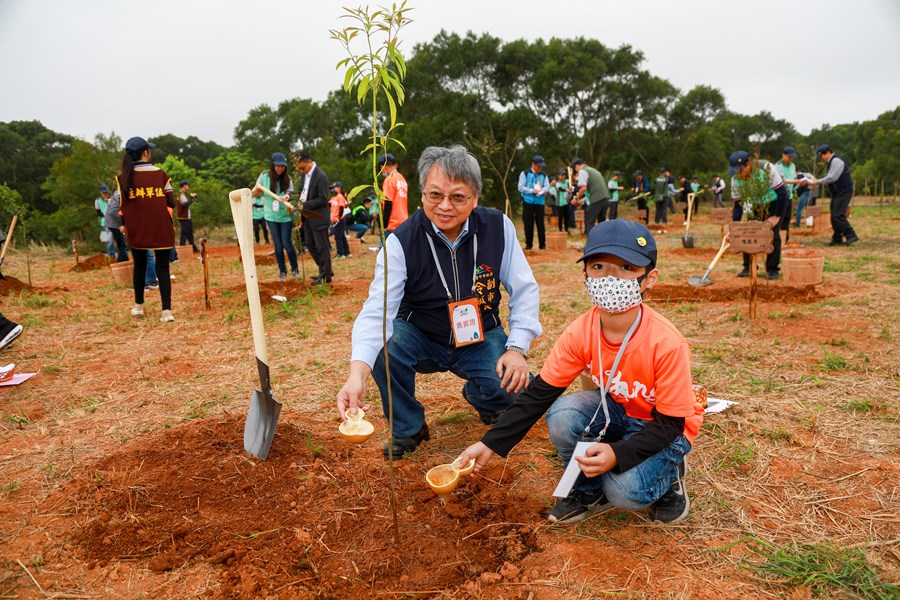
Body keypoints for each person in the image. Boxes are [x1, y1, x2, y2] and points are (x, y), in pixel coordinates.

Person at [458, 219, 702, 524]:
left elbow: (671, 423)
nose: (610, 278)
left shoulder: (666, 342)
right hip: (617, 411)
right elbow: (539, 394)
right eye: (598, 267)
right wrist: (490, 443)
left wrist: (618, 454)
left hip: (664, 427)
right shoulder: (580, 332)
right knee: (562, 415)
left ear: (649, 278)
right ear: (584, 275)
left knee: (625, 492)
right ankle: (587, 491)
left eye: (626, 268)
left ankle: (670, 476)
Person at [336, 145, 542, 460]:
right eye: (435, 195)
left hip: (481, 336)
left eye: (458, 197)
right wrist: (356, 374)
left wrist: (517, 349)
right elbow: (377, 312)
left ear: (475, 197)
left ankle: (484, 397)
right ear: (422, 195)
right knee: (384, 347)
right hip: (421, 336)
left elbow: (525, 289)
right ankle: (408, 428)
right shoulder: (401, 241)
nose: (445, 206)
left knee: (517, 390)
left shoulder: (498, 228)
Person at [116, 136, 176, 322]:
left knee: (140, 267)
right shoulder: (161, 174)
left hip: (137, 230)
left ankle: (139, 307)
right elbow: (171, 201)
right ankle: (166, 312)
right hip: (160, 228)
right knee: (163, 268)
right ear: (145, 152)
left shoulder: (123, 178)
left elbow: (121, 207)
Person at [728, 150, 787, 280]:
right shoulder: (735, 180)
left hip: (774, 203)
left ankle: (772, 268)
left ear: (748, 164)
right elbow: (738, 205)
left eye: (740, 169)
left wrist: (776, 216)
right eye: (735, 170)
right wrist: (734, 226)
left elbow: (782, 193)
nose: (738, 173)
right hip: (754, 204)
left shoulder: (765, 168)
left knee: (772, 234)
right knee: (747, 232)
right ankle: (748, 267)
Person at [254, 152, 299, 281]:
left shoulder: (287, 178)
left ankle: (295, 270)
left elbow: (290, 192)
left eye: (282, 166)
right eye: (277, 166)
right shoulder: (264, 176)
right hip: (270, 216)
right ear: (272, 165)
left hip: (284, 216)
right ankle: (282, 272)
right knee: (278, 246)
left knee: (287, 243)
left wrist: (287, 196)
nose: (280, 169)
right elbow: (257, 190)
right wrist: (254, 193)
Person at [295, 149, 333, 284]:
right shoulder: (305, 176)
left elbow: (323, 198)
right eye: (299, 169)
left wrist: (305, 205)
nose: (301, 171)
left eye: (303, 168)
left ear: (309, 162)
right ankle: (325, 270)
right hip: (308, 217)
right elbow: (302, 191)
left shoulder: (320, 176)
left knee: (322, 247)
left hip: (318, 216)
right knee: (310, 244)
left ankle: (325, 276)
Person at [812, 144, 859, 246]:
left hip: (844, 191)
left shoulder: (836, 161)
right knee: (834, 216)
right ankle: (837, 238)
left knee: (838, 214)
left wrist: (818, 182)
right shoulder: (830, 162)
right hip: (837, 192)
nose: (821, 159)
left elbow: (832, 177)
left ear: (828, 153)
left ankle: (851, 234)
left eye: (822, 156)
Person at [518, 155, 550, 250]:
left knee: (540, 223)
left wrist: (542, 191)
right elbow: (520, 187)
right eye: (538, 166)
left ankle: (542, 244)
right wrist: (532, 191)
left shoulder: (543, 175)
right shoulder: (525, 173)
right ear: (533, 164)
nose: (540, 168)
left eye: (541, 166)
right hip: (528, 202)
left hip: (540, 202)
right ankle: (529, 244)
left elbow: (547, 186)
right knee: (528, 223)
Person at [571, 158, 610, 236]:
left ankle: (590, 246)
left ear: (577, 166)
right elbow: (594, 189)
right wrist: (583, 200)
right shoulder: (594, 170)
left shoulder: (582, 171)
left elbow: (583, 188)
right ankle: (602, 244)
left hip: (597, 199)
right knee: (601, 223)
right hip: (605, 198)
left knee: (589, 222)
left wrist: (576, 198)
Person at [378, 153, 409, 236]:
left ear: (384, 166)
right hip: (403, 222)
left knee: (385, 249)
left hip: (392, 223)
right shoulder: (402, 179)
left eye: (381, 168)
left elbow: (388, 202)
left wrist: (384, 225)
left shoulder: (389, 179)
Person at [776, 147, 802, 242]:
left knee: (787, 218)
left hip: (789, 196)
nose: (790, 158)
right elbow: (783, 181)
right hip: (781, 197)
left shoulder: (793, 166)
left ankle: (785, 238)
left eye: (792, 157)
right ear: (783, 155)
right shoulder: (778, 166)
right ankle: (777, 238)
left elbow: (794, 178)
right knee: (780, 218)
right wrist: (796, 181)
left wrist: (799, 182)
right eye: (789, 156)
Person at [104, 189, 129, 263]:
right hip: (114, 223)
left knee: (121, 245)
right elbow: (113, 211)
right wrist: (124, 221)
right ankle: (124, 264)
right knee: (122, 245)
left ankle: (120, 262)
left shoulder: (119, 192)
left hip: (113, 222)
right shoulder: (119, 194)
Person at [330, 181, 351, 259]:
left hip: (339, 219)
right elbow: (329, 205)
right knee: (342, 236)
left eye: (334, 187)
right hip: (334, 219)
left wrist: (338, 217)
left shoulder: (340, 196)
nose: (333, 189)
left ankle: (340, 253)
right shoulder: (333, 197)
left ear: (339, 188)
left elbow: (341, 208)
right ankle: (347, 252)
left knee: (338, 236)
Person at [176, 180, 198, 252]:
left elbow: (187, 203)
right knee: (184, 233)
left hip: (186, 217)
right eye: (187, 185)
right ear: (184, 186)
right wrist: (191, 198)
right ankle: (182, 249)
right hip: (184, 217)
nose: (188, 186)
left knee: (189, 233)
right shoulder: (181, 194)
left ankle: (194, 248)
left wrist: (192, 198)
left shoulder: (182, 194)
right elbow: (186, 204)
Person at [94, 185, 114, 257]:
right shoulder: (97, 201)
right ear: (101, 193)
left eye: (106, 193)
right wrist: (104, 214)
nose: (105, 194)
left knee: (119, 240)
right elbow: (98, 212)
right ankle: (111, 257)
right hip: (105, 223)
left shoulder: (112, 199)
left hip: (114, 222)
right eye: (104, 193)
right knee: (109, 241)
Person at [556, 168, 570, 232]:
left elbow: (571, 184)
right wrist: (566, 190)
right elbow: (560, 189)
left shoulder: (567, 181)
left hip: (566, 202)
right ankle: (560, 230)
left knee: (567, 217)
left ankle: (566, 230)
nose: (562, 176)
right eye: (561, 175)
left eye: (564, 175)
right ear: (558, 176)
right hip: (560, 203)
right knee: (561, 217)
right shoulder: (557, 183)